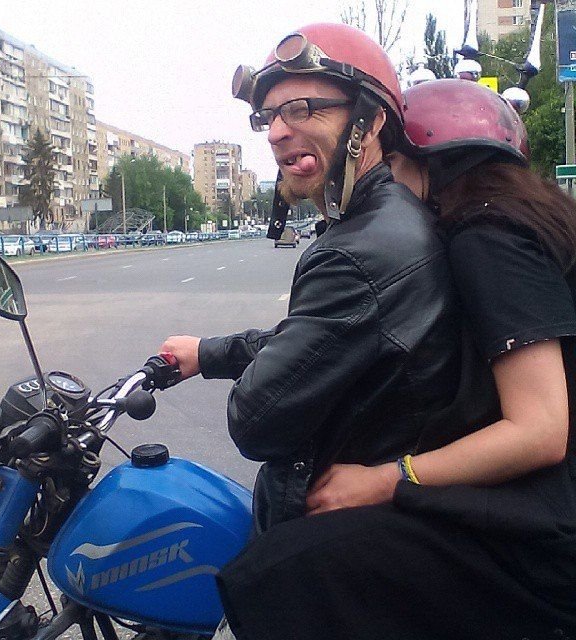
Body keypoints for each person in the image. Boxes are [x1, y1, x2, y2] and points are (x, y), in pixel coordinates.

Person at [212, 79, 576, 639]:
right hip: (541, 509)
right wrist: (210, 354)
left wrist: (389, 479)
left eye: (391, 166)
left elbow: (540, 430)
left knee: (284, 568)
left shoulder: (487, 239)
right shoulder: (514, 225)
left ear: (429, 162)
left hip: (542, 536)